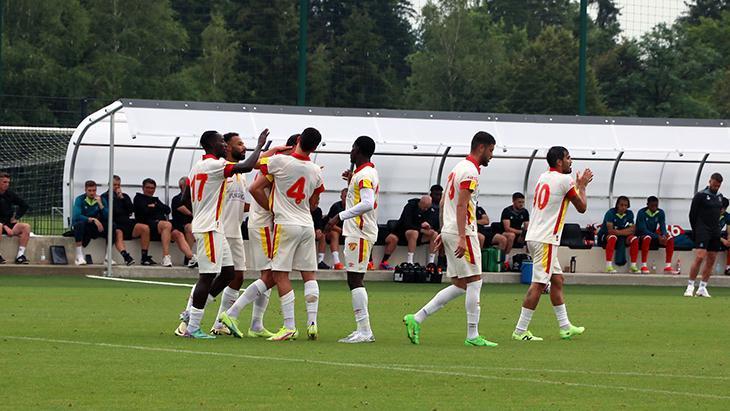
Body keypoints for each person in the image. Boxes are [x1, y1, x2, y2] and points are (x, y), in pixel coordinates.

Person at [223, 127, 324, 342]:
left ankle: (282, 325)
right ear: (315, 148)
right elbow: (315, 203)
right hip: (305, 223)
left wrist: (271, 151)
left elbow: (251, 166)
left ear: (297, 141)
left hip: (283, 223)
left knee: (277, 275)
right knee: (307, 274)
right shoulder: (316, 170)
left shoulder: (278, 162)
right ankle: (312, 324)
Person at [403, 131, 498, 347]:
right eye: (491, 150)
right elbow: (462, 205)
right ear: (481, 147)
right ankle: (473, 336)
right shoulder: (470, 172)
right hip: (463, 231)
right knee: (475, 281)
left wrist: (443, 231)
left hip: (451, 230)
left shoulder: (457, 168)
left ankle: (416, 318)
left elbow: (446, 201)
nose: (492, 155)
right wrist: (462, 236)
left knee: (461, 284)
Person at [177, 129, 268, 339]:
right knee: (207, 277)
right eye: (221, 143)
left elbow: (183, 198)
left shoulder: (196, 167)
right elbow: (245, 166)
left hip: (214, 226)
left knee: (229, 273)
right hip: (209, 228)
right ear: (211, 145)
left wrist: (200, 210)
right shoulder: (214, 165)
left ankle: (191, 315)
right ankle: (192, 327)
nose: (224, 146)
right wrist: (260, 145)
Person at [218, 134, 298, 339]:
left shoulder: (283, 164)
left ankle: (255, 324)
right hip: (262, 225)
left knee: (269, 275)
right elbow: (255, 187)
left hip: (258, 225)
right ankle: (230, 315)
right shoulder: (277, 164)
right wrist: (275, 210)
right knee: (270, 275)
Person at [511, 146, 593, 342]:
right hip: (546, 239)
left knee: (557, 280)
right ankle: (520, 330)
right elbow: (581, 207)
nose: (571, 161)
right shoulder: (566, 180)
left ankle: (565, 327)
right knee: (538, 285)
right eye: (568, 158)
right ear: (559, 162)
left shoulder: (543, 176)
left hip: (536, 236)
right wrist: (582, 186)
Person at [207, 132, 273, 336]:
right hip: (219, 230)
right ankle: (189, 316)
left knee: (237, 277)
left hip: (234, 231)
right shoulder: (221, 169)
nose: (244, 147)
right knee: (208, 277)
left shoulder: (240, 175)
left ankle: (220, 324)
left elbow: (239, 204)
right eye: (240, 144)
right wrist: (261, 147)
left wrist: (258, 207)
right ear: (227, 147)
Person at [326, 135, 379, 344]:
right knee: (354, 278)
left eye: (352, 147)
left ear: (357, 149)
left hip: (360, 231)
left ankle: (365, 330)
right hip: (358, 230)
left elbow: (367, 203)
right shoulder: (363, 173)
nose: (351, 151)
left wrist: (339, 215)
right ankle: (361, 329)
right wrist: (351, 180)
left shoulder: (365, 174)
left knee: (355, 279)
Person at [134, 178, 194, 267]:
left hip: (161, 226)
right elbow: (144, 210)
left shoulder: (156, 200)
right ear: (143, 188)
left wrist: (155, 206)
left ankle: (190, 257)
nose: (150, 190)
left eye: (152, 188)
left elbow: (167, 209)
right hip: (149, 225)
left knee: (178, 234)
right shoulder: (138, 198)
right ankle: (165, 256)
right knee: (167, 224)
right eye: (148, 188)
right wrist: (156, 208)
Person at [685, 173, 724, 298]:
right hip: (702, 230)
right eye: (714, 184)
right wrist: (696, 230)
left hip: (715, 231)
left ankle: (702, 287)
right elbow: (692, 214)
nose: (716, 187)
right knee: (700, 257)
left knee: (712, 259)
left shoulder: (719, 197)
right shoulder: (700, 195)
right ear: (710, 181)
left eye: (718, 186)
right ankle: (690, 286)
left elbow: (718, 214)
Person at [71, 180, 126, 265]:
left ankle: (108, 257)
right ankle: (79, 256)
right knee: (79, 224)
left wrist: (101, 205)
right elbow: (76, 216)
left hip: (95, 226)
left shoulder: (101, 199)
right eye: (89, 190)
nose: (92, 193)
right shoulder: (80, 199)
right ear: (85, 190)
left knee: (112, 226)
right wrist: (92, 219)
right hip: (84, 225)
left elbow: (108, 216)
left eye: (94, 190)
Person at [101, 175, 152, 266]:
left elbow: (131, 210)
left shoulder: (125, 196)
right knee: (118, 233)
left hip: (127, 222)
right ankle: (126, 256)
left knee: (145, 228)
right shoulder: (104, 197)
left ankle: (144, 257)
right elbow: (110, 212)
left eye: (118, 185)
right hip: (115, 223)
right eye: (114, 185)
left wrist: (122, 199)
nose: (117, 187)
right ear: (109, 185)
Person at [381, 195, 438, 270]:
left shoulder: (430, 209)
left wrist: (428, 226)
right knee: (413, 233)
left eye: (428, 207)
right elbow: (407, 224)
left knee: (435, 234)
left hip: (420, 234)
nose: (426, 209)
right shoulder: (410, 207)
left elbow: (433, 222)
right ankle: (410, 261)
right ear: (420, 203)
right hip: (404, 232)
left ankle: (431, 262)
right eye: (424, 207)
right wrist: (421, 229)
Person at [598, 196, 639, 273]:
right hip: (605, 236)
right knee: (612, 237)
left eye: (625, 205)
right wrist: (625, 231)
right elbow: (610, 231)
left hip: (622, 237)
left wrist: (618, 232)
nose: (623, 207)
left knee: (634, 239)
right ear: (617, 205)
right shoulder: (610, 213)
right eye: (621, 205)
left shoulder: (629, 214)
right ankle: (608, 266)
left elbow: (633, 230)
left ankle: (633, 266)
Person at [635, 196, 674, 274]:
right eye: (652, 206)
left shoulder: (660, 212)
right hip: (642, 235)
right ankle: (644, 265)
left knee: (670, 239)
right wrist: (657, 237)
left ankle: (668, 266)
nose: (654, 208)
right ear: (647, 205)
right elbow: (643, 229)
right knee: (647, 238)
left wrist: (664, 235)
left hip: (654, 235)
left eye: (656, 205)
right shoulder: (641, 213)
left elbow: (662, 225)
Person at [0, 172, 31, 264]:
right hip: (1, 225)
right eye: (4, 182)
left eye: (8, 182)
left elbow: (24, 205)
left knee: (26, 226)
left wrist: (16, 217)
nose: (7, 184)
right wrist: (4, 226)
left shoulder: (10, 194)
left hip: (9, 223)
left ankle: (20, 256)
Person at [170, 177, 197, 267]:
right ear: (181, 186)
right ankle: (189, 257)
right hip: (178, 225)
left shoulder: (194, 199)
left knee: (190, 227)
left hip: (191, 225)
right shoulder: (177, 199)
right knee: (187, 229)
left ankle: (188, 257)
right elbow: (187, 211)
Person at [324, 188, 347, 270]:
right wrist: (342, 231)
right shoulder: (336, 206)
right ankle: (337, 262)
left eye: (349, 196)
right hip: (332, 232)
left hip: (347, 233)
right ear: (341, 197)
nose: (347, 198)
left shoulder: (353, 207)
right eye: (345, 196)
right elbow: (330, 224)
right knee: (334, 233)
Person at [313, 205, 329, 269]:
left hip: (313, 231)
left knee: (322, 236)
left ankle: (320, 261)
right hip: (304, 230)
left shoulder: (318, 210)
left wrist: (318, 229)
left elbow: (319, 223)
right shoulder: (303, 209)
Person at [719, 198, 730, 276]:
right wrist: (722, 240)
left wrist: (729, 239)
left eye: (724, 208)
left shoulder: (727, 216)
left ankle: (728, 267)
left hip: (720, 237)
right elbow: (710, 232)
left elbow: (729, 230)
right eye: (721, 208)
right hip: (709, 236)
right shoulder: (710, 215)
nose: (722, 210)